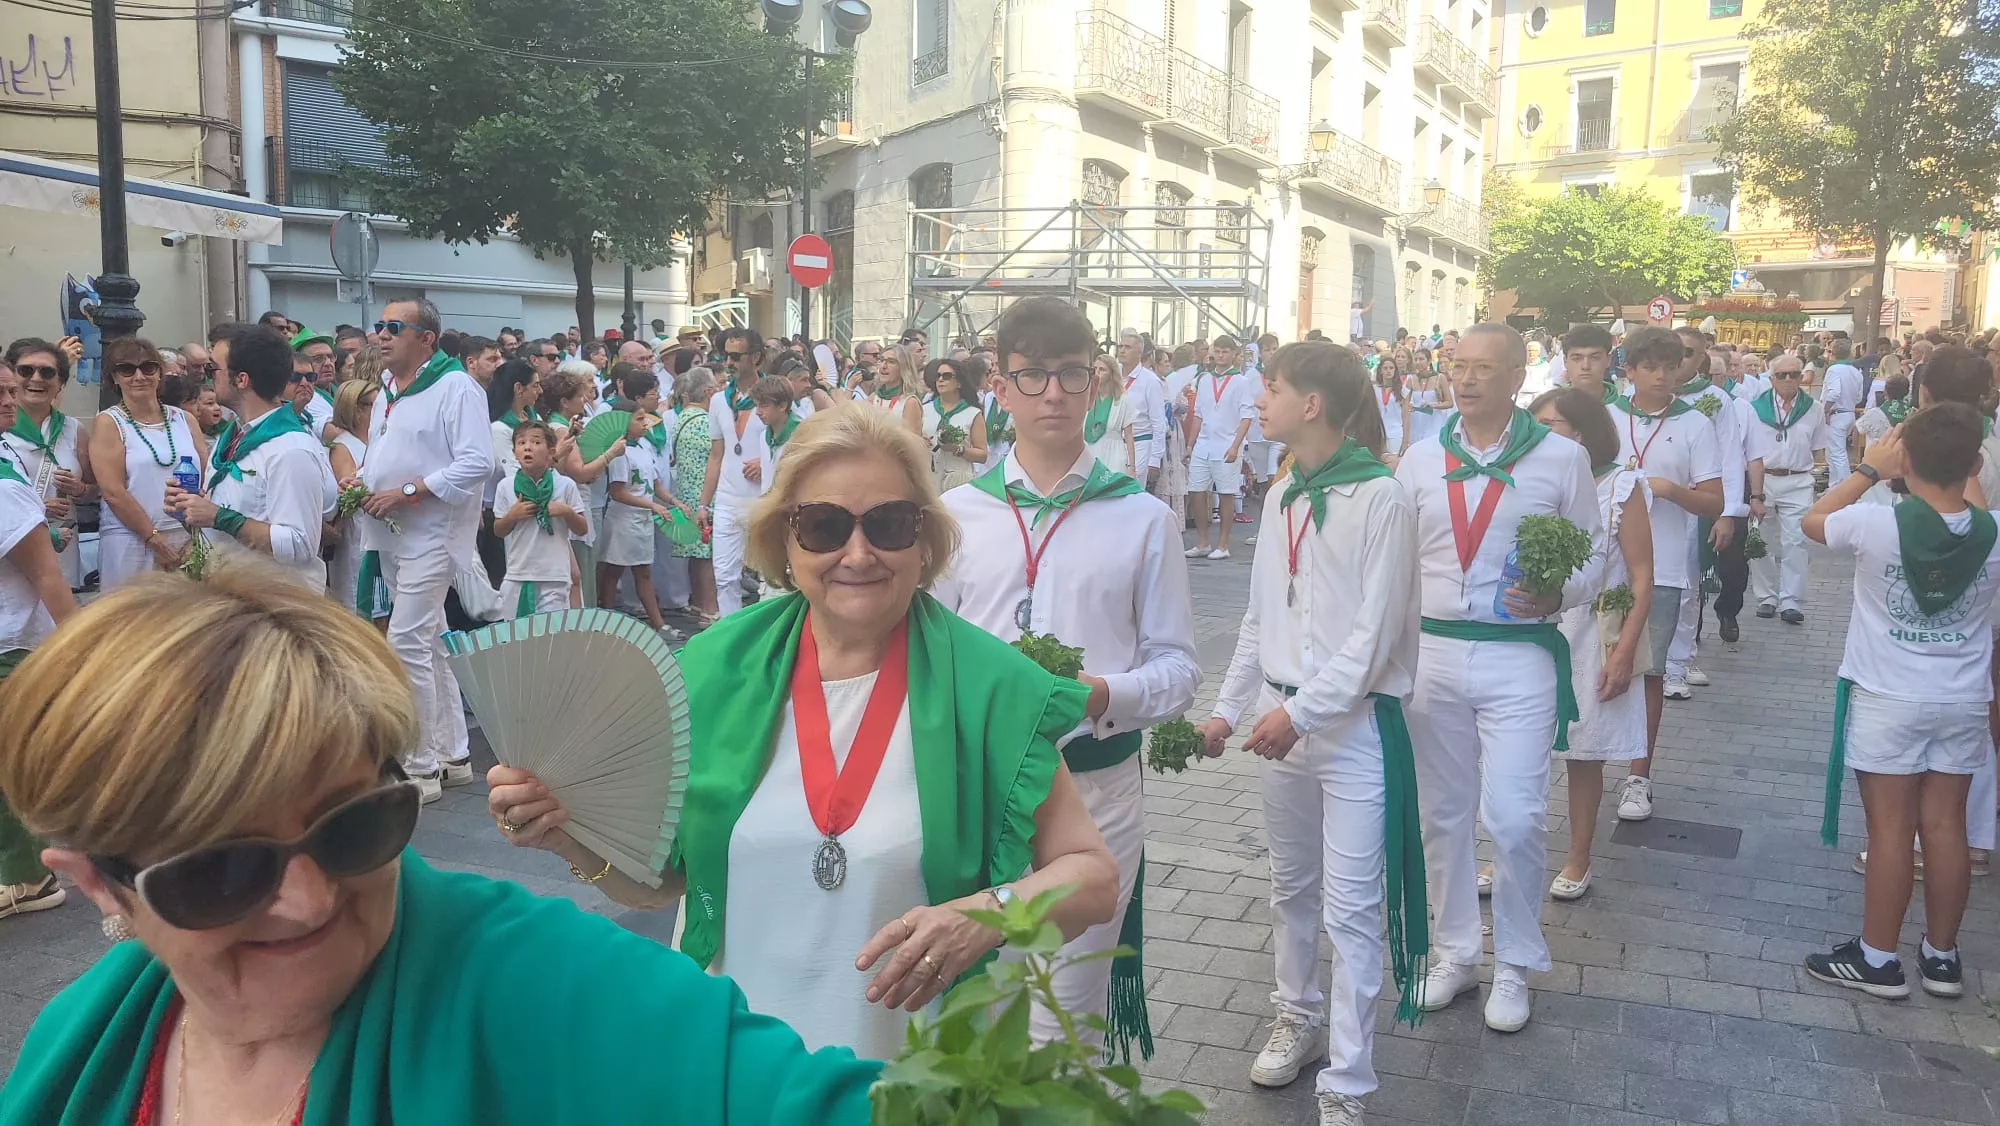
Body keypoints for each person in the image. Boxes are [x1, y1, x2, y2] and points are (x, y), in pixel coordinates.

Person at [0, 571, 883, 1125]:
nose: (308, 900)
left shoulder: (543, 983)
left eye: (354, 826)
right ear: (96, 885)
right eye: (221, 871)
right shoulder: (78, 1043)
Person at [487, 405, 1120, 1060]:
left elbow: (1094, 878)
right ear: (783, 542)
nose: (858, 552)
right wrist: (572, 839)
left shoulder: (990, 686)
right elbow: (663, 881)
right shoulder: (709, 672)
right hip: (735, 1068)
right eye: (823, 526)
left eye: (890, 524)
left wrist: (989, 914)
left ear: (924, 541)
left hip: (908, 1076)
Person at [933, 296, 1199, 1065]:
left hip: (1096, 790)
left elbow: (1179, 668)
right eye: (1034, 375)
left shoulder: (1142, 518)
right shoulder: (956, 516)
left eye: (1072, 375)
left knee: (1066, 1018)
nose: (1054, 393)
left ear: (1097, 386)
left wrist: (1102, 694)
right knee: (980, 1004)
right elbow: (933, 659)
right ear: (1001, 386)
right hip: (982, 793)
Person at [1198, 342, 1422, 1126]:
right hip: (1281, 725)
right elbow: (1262, 617)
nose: (1260, 402)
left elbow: (1372, 637)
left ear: (1313, 405)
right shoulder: (1284, 491)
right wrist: (1229, 707)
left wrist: (1300, 714)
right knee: (1290, 886)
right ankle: (1296, 1013)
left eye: (1273, 388)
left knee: (1352, 908)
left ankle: (1349, 1082)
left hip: (1350, 727)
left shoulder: (1383, 499)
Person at [1397, 323, 1600, 1034]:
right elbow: (1393, 564)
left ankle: (1514, 961)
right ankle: (1456, 953)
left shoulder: (1561, 458)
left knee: (1513, 816)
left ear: (1519, 377)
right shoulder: (1419, 460)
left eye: (1486, 368)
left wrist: (1561, 595)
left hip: (1519, 654)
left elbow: (1594, 556)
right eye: (1460, 366)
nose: (1469, 379)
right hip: (1433, 655)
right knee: (1440, 814)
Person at [1803, 405, 1998, 1001]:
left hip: (1888, 696)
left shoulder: (1874, 523)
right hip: (1962, 698)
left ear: (1904, 460)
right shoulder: (1994, 534)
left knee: (1890, 829)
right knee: (1946, 826)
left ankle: (1878, 958)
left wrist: (1867, 469)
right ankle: (1942, 957)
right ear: (1976, 464)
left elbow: (1813, 520)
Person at [352, 298, 492, 802]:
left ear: (426, 339)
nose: (382, 335)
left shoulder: (457, 387)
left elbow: (478, 461)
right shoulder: (390, 387)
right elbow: (385, 450)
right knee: (430, 640)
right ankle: (452, 753)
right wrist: (363, 480)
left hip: (432, 532)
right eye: (380, 326)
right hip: (392, 531)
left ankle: (419, 766)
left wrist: (408, 491)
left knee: (406, 643)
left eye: (394, 327)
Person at [1528, 388, 1654, 900]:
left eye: (1550, 425)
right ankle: (1511, 853)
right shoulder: (1532, 481)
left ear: (1580, 433)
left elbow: (1643, 576)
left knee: (1584, 753)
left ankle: (1578, 856)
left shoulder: (1622, 487)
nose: (1537, 434)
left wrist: (1623, 651)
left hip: (1594, 631)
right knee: (1520, 749)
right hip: (1534, 627)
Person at [1602, 327, 1721, 823]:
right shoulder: (1606, 416)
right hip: (1603, 562)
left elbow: (1713, 500)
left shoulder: (1695, 424)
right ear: (1628, 370)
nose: (1659, 375)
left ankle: (1639, 775)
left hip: (1664, 566)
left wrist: (1671, 489)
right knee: (1594, 663)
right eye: (1648, 366)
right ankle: (1585, 754)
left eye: (1669, 366)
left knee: (1648, 672)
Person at [0, 357, 79, 920]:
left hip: (9, 642)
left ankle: (26, 877)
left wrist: (81, 647)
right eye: (1, 389)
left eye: (10, 390)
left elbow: (46, 573)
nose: (10, 399)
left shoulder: (3, 475)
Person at [168, 324, 332, 592]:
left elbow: (299, 544)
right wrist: (190, 511)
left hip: (277, 606)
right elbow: (224, 523)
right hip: (233, 596)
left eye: (213, 369)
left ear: (241, 379)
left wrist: (219, 517)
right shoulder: (232, 437)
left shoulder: (291, 449)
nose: (208, 379)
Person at [90, 338, 207, 590]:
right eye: (127, 369)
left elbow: (207, 477)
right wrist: (153, 540)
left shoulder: (185, 419)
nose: (139, 376)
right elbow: (113, 492)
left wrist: (195, 532)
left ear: (160, 373)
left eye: (148, 367)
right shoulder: (109, 423)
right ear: (115, 377)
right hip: (132, 540)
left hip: (187, 537)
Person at [1747, 355, 1830, 625]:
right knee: (1759, 539)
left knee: (1796, 540)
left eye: (1794, 374)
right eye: (1781, 375)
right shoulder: (1755, 408)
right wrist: (1753, 490)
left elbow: (1818, 448)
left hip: (1798, 479)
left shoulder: (1813, 408)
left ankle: (1790, 600)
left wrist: (1816, 480)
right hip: (1764, 480)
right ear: (1771, 378)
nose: (1788, 380)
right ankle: (1767, 597)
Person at [1, 338, 88, 590]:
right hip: (12, 557)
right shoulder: (3, 429)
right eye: (26, 370)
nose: (36, 378)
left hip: (64, 551)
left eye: (47, 372)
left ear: (60, 383)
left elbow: (95, 489)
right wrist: (36, 507)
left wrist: (80, 489)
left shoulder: (74, 429)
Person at [701, 328, 772, 618]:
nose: (728, 363)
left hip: (764, 498)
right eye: (724, 356)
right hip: (728, 499)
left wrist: (765, 464)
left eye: (735, 356)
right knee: (725, 576)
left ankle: (769, 635)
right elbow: (716, 455)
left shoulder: (774, 396)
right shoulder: (719, 401)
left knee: (771, 577)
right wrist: (704, 503)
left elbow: (793, 446)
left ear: (755, 357)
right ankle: (729, 632)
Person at [493, 420, 588, 617]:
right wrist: (512, 516)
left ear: (551, 451)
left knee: (550, 638)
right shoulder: (506, 486)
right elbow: (499, 530)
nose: (528, 447)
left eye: (536, 443)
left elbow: (582, 529)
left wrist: (566, 511)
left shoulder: (565, 485)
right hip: (518, 574)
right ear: (514, 452)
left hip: (554, 575)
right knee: (516, 638)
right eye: (521, 443)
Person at [1185, 335, 1258, 559]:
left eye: (1225, 351)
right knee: (1196, 490)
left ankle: (1223, 545)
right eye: (1217, 351)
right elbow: (1197, 414)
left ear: (1234, 355)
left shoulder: (1241, 382)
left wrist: (1236, 445)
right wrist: (1190, 444)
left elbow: (1247, 416)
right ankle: (1203, 541)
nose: (1220, 355)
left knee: (1226, 492)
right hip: (1204, 444)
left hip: (1227, 444)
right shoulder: (1204, 379)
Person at [326, 379, 389, 622]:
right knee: (358, 607)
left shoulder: (378, 440)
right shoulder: (343, 446)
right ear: (356, 408)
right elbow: (349, 490)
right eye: (374, 405)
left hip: (381, 530)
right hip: (356, 536)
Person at [668, 366, 719, 624]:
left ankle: (700, 603)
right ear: (708, 391)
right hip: (703, 495)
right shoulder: (703, 421)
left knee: (697, 554)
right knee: (707, 556)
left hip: (687, 493)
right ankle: (710, 608)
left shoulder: (682, 417)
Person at [921, 357, 988, 492]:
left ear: (959, 383)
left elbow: (982, 455)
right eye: (938, 376)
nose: (940, 380)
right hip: (929, 477)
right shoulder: (924, 409)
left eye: (946, 376)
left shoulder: (972, 413)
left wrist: (957, 449)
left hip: (959, 479)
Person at [1116, 330, 1166, 489]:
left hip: (1140, 443)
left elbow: (1159, 422)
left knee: (1131, 493)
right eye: (1120, 346)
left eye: (1128, 347)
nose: (1122, 350)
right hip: (1114, 443)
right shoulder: (1113, 375)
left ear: (1139, 352)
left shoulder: (1150, 381)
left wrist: (1155, 459)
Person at [1080, 354, 1136, 479]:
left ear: (1111, 374)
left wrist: (1132, 466)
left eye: (1102, 370)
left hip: (1114, 455)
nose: (1097, 373)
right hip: (1089, 454)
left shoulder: (1122, 401)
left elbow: (1128, 435)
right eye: (1095, 369)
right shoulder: (1086, 398)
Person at [1823, 339, 1866, 480]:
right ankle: (1833, 485)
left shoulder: (1833, 370)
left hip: (1836, 413)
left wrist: (1826, 409)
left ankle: (1843, 486)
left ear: (1833, 353)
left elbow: (1834, 392)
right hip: (1849, 412)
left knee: (1837, 454)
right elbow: (1859, 396)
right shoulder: (1855, 371)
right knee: (1834, 452)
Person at [1372, 355, 1411, 459]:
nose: (1388, 371)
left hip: (1396, 434)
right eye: (1385, 368)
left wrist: (1405, 441)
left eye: (1391, 368)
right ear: (1380, 370)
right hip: (1379, 434)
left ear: (1395, 370)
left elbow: (1406, 417)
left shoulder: (1403, 391)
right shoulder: (1374, 389)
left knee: (1395, 464)